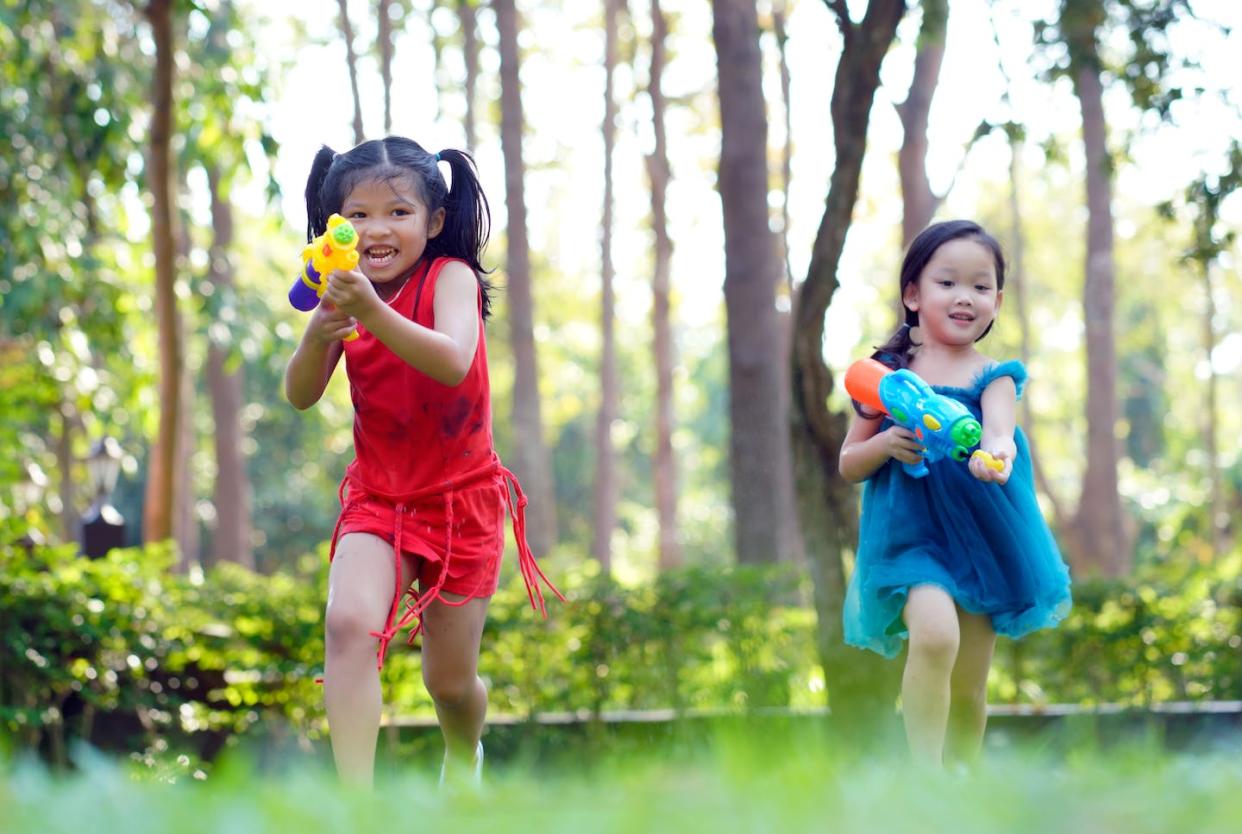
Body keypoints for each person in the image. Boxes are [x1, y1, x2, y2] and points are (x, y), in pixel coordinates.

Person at [284, 136, 562, 788]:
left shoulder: (451, 279)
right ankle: (357, 808)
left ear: (434, 222)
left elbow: (452, 360)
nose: (376, 229)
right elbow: (299, 396)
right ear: (335, 226)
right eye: (357, 215)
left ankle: (463, 754)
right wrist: (318, 331)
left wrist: (369, 312)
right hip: (378, 499)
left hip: (460, 501)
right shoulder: (344, 296)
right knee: (349, 623)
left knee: (450, 681)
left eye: (397, 213)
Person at [838, 219, 1071, 768]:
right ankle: (925, 780)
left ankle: (962, 782)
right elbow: (850, 463)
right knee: (935, 634)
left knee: (969, 685)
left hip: (983, 534)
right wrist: (886, 445)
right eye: (947, 283)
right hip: (911, 536)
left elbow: (997, 433)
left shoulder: (994, 377)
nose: (965, 297)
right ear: (913, 295)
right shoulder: (888, 378)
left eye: (981, 286)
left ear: (997, 301)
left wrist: (996, 459)